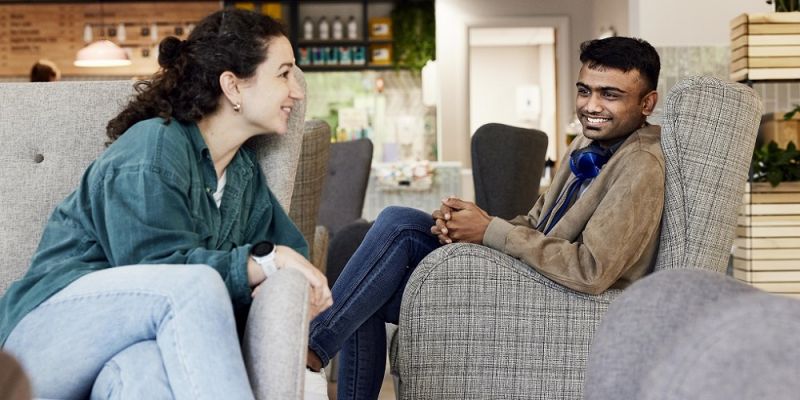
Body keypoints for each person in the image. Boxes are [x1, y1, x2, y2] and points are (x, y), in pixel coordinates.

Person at [306, 36, 665, 399]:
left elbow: (592, 269)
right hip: (529, 278)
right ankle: (320, 355)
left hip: (555, 302)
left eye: (610, 95)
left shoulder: (640, 166)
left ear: (647, 103)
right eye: (584, 91)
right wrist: (471, 223)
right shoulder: (586, 146)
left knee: (388, 246)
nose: (591, 105)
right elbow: (535, 222)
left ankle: (313, 352)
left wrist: (491, 231)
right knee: (380, 261)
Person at [0, 9, 332, 400]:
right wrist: (260, 263)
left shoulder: (242, 174)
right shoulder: (152, 148)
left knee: (146, 371)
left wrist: (295, 287)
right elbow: (158, 275)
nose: (296, 90)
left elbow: (289, 253)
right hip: (42, 343)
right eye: (283, 73)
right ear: (233, 86)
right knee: (195, 285)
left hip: (125, 348)